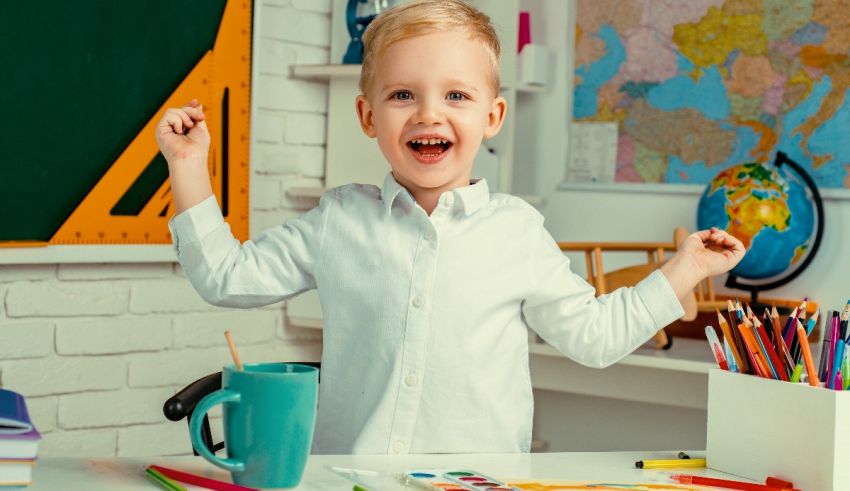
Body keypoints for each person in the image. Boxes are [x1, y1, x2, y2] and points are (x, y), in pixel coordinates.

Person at [156, 0, 745, 455]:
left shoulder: (517, 232)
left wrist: (686, 269)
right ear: (368, 116)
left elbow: (594, 337)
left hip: (478, 483)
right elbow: (225, 277)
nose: (428, 113)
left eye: (456, 95)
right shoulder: (337, 221)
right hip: (347, 479)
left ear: (492, 117)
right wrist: (187, 167)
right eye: (402, 94)